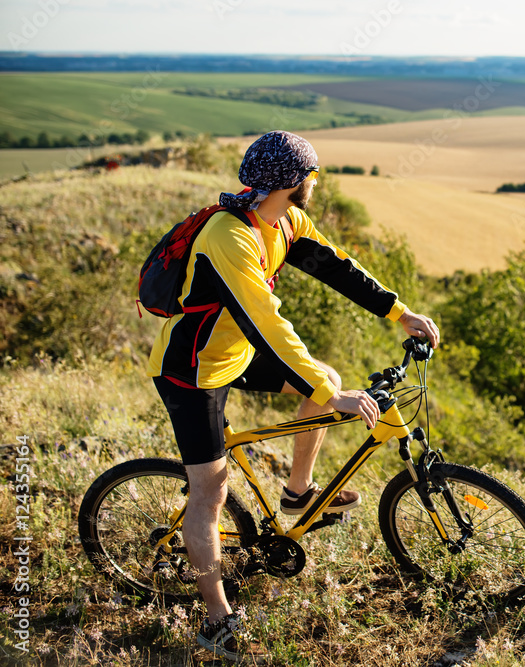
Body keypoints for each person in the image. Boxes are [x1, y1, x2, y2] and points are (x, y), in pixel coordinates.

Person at [147, 130, 439, 662]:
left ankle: (298, 492)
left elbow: (337, 266)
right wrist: (334, 394)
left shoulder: (283, 219)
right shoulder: (228, 238)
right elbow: (267, 324)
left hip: (231, 354)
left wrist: (401, 312)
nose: (316, 182)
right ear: (291, 181)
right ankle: (217, 618)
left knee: (320, 380)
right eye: (311, 174)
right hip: (192, 371)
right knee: (210, 493)